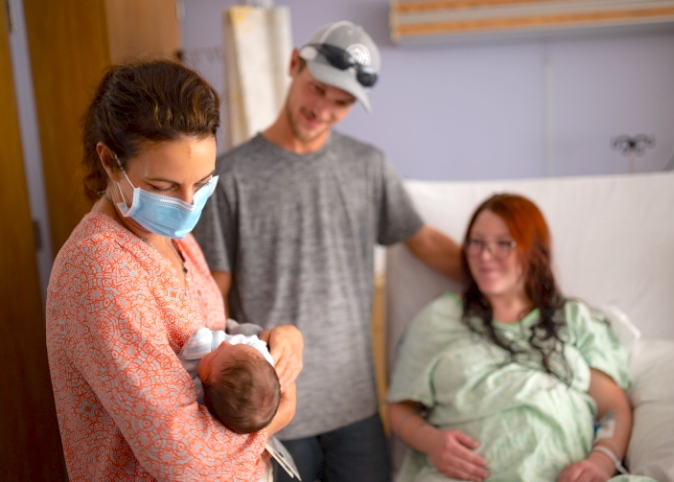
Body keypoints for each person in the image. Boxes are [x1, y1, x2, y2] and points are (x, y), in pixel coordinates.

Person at [192, 20, 462, 482]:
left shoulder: (368, 167)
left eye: (342, 102)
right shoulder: (232, 176)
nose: (324, 109)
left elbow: (422, 240)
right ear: (294, 63)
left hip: (355, 407)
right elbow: (212, 292)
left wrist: (512, 278)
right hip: (270, 407)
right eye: (318, 89)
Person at [46, 59, 303, 481]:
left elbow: (200, 333)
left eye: (202, 183)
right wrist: (277, 415)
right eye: (164, 187)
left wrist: (272, 338)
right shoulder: (101, 272)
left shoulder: (172, 235)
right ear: (110, 161)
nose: (187, 203)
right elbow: (182, 459)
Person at [387, 194, 655, 482]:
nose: (485, 255)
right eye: (476, 242)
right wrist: (432, 442)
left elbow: (613, 407)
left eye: (504, 243)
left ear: (534, 250)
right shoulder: (438, 320)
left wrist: (602, 461)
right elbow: (400, 407)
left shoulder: (574, 319)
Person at [178, 324, 282, 434]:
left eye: (214, 355)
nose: (224, 343)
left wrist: (200, 343)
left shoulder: (196, 392)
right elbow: (255, 343)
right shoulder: (263, 362)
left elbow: (180, 373)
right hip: (245, 337)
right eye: (231, 346)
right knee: (246, 330)